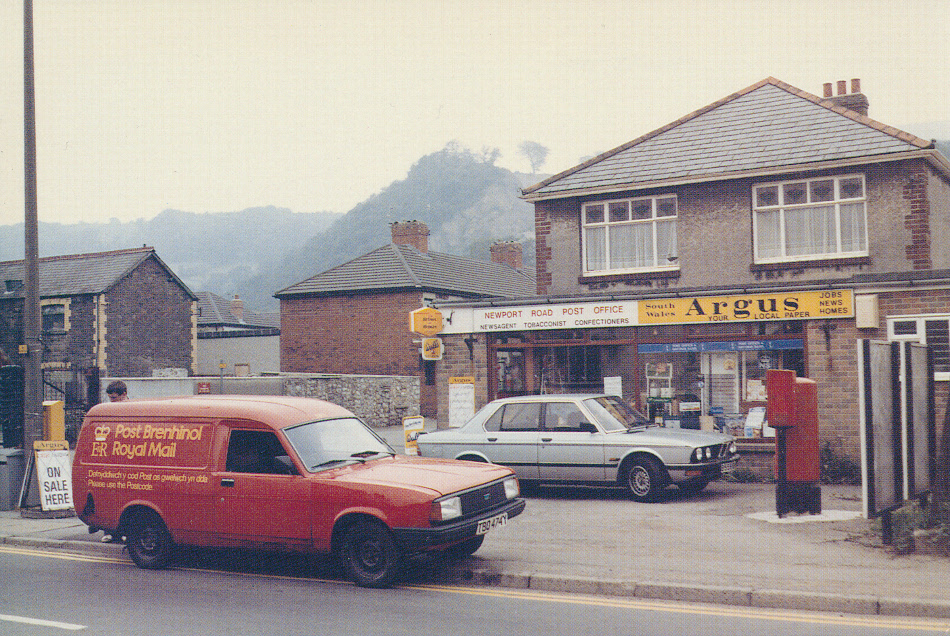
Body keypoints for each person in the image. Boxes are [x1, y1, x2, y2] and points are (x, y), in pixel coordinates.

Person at [102, 380, 128, 543]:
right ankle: (110, 531)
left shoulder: (132, 409)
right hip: (111, 459)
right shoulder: (107, 410)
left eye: (114, 398)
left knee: (125, 498)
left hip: (126, 459)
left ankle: (125, 532)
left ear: (124, 394)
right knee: (109, 497)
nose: (112, 401)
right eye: (110, 398)